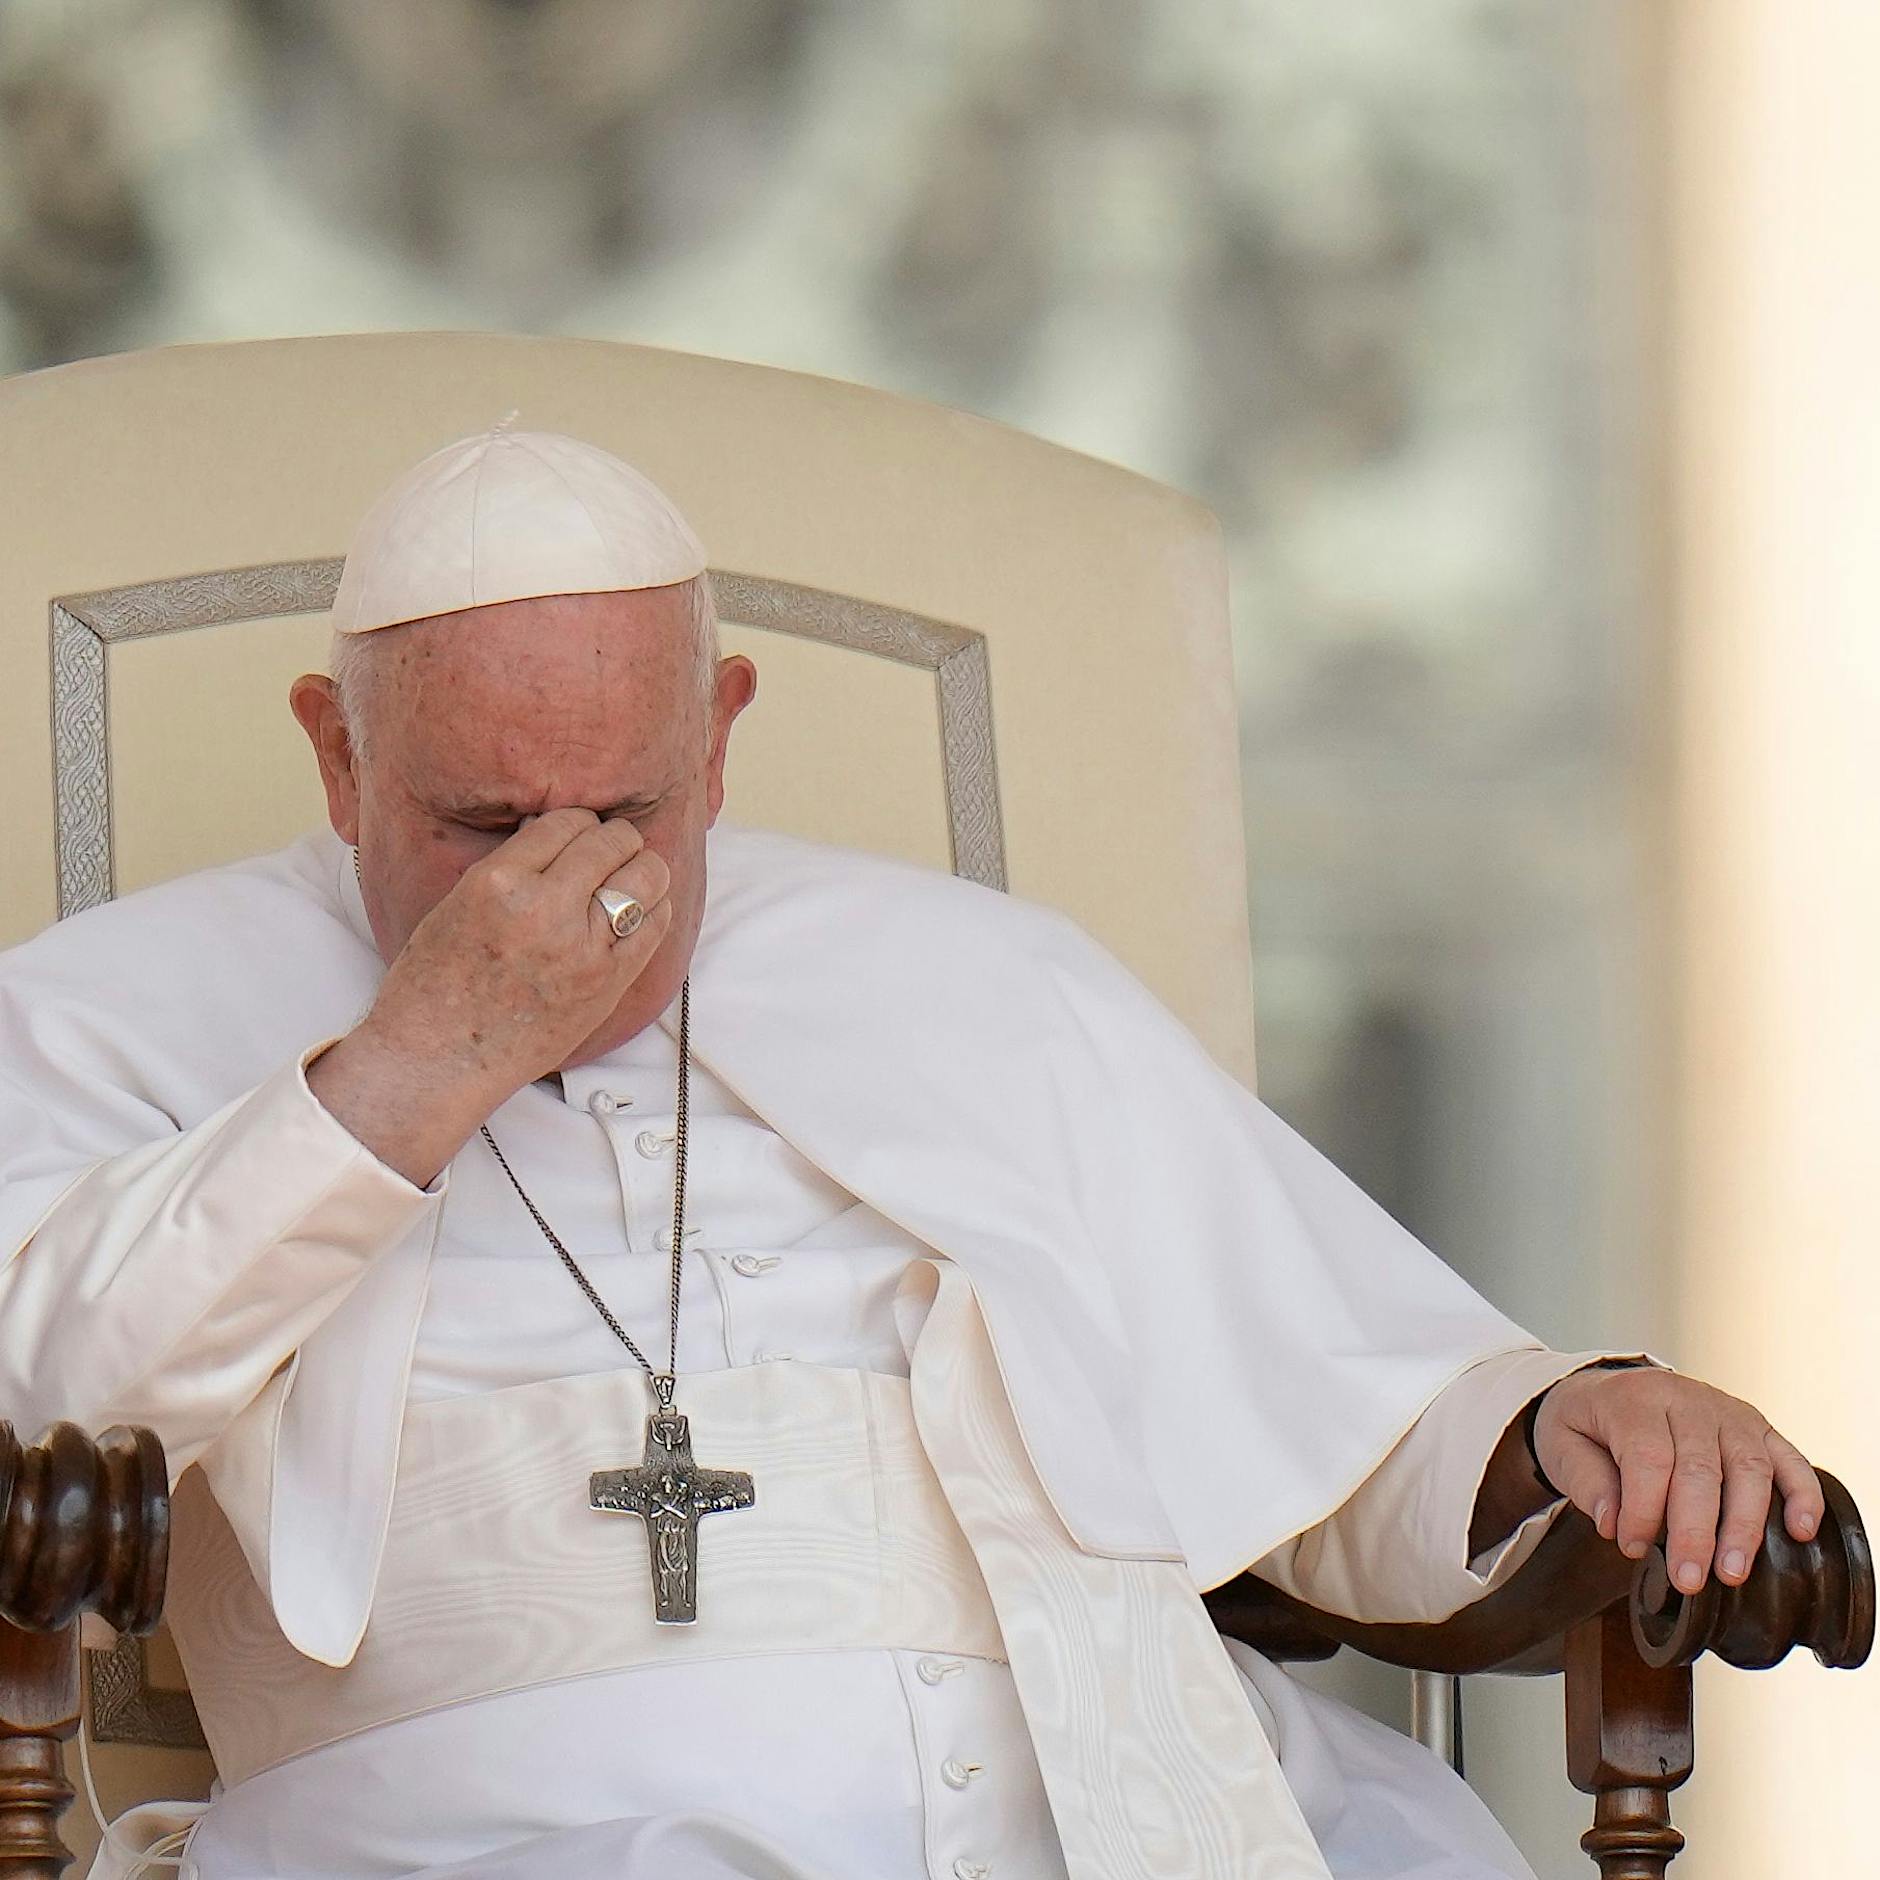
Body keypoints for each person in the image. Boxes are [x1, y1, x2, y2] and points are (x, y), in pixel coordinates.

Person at [0, 426, 1822, 1880]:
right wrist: (406, 1070)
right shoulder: (112, 1010)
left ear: (718, 743)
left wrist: (1557, 1413)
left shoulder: (977, 976)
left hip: (1119, 1808)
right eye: (479, 824)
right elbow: (43, 1395)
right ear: (337, 759)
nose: (576, 896)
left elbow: (1319, 1391)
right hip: (489, 1833)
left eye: (629, 809)